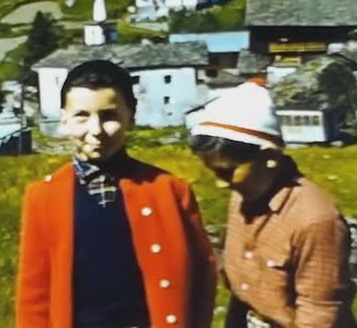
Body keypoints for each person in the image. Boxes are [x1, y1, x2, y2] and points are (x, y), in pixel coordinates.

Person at [15, 60, 217, 328]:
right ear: (64, 120)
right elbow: (34, 293)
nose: (96, 130)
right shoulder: (42, 197)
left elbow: (202, 275)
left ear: (130, 118)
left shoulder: (168, 190)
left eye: (109, 116)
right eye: (82, 116)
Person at [188, 81, 357, 328]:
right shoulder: (242, 197)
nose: (221, 185)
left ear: (269, 157)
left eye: (228, 172)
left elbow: (319, 315)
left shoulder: (315, 220)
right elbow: (241, 290)